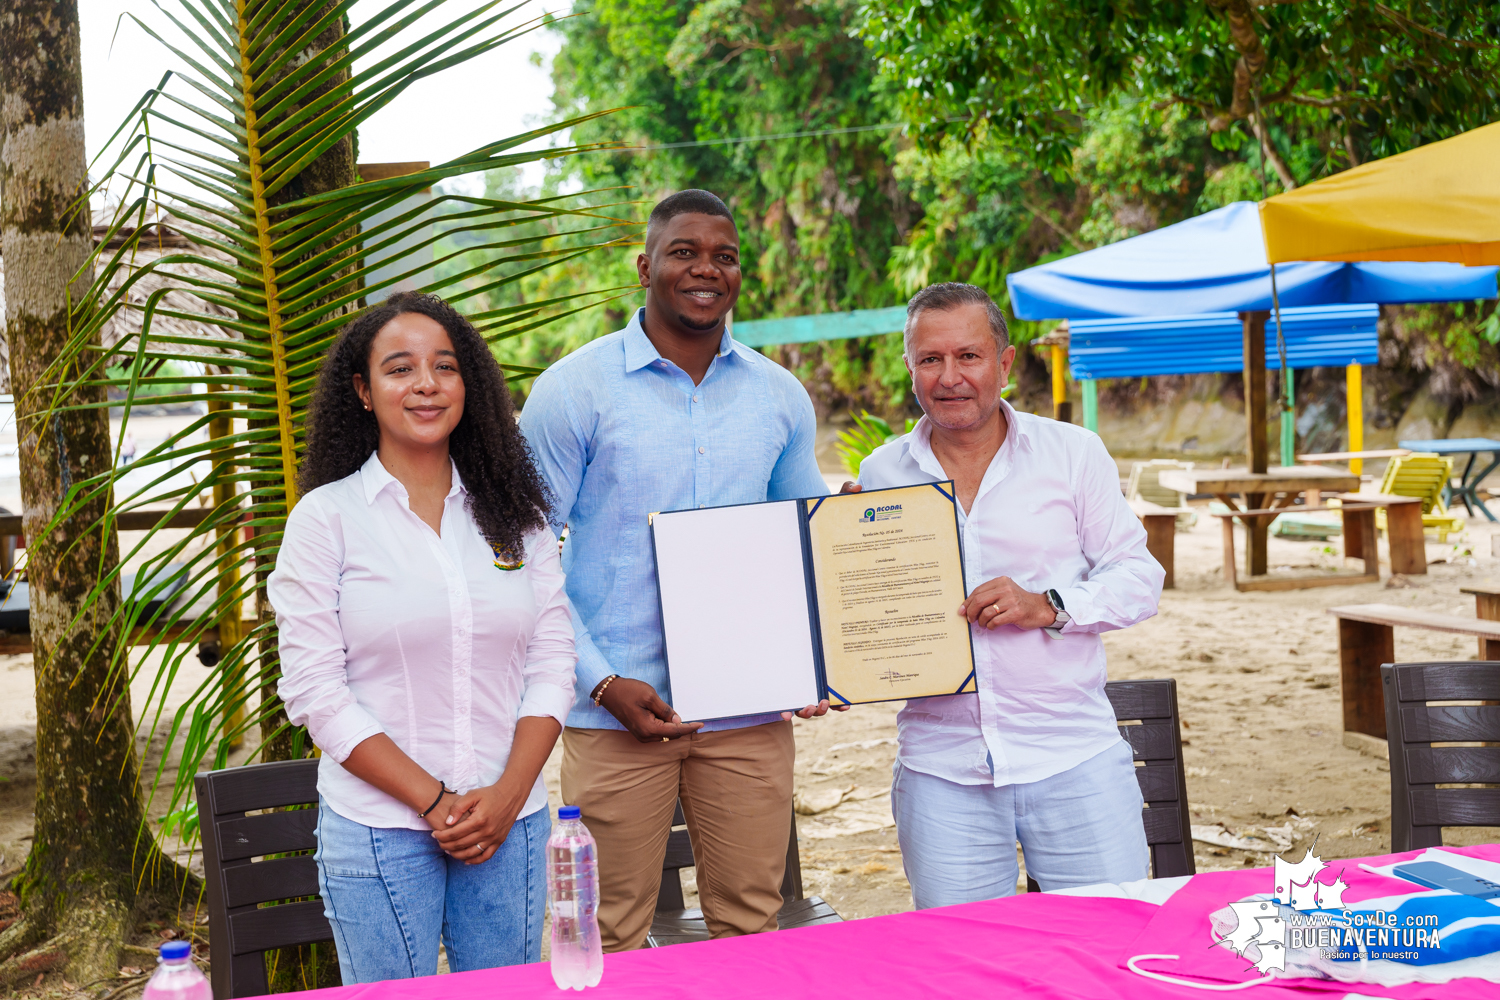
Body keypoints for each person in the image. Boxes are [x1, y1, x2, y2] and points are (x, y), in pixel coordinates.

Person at [519, 189, 839, 951]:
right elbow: (525, 553)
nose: (706, 269)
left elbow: (808, 541)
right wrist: (598, 681)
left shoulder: (778, 397)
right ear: (645, 266)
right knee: (605, 931)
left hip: (749, 718)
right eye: (685, 252)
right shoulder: (574, 390)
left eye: (724, 256)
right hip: (614, 710)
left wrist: (822, 657)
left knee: (752, 925)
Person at [269, 292, 575, 981]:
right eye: (401, 369)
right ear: (364, 391)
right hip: (380, 830)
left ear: (470, 384)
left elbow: (553, 659)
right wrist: (435, 802)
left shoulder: (514, 515)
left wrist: (504, 797)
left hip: (512, 822)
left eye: (445, 366)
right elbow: (317, 692)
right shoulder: (327, 520)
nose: (427, 385)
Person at [857, 282, 1163, 908]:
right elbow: (866, 610)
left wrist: (1048, 605)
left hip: (1073, 757)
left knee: (1112, 949)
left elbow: (1139, 576)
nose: (950, 377)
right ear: (910, 367)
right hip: (941, 770)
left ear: (1004, 361)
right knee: (962, 969)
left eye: (968, 356)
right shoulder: (880, 474)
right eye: (930, 360)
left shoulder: (1073, 454)